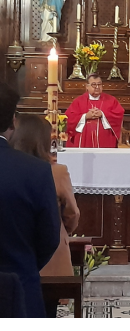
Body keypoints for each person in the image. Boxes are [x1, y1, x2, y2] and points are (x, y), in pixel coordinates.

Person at [9, 114, 80, 318]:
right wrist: (61, 229)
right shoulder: (56, 171)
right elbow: (72, 213)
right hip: (50, 258)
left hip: (14, 257)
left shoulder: (10, 168)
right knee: (47, 311)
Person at [0, 82, 60, 318]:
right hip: (20, 289)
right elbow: (49, 237)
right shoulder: (35, 171)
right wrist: (24, 263)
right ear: (13, 121)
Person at [65, 73, 125, 148]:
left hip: (105, 139)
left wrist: (103, 114)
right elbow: (69, 117)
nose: (97, 87)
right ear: (87, 86)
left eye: (99, 84)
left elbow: (119, 114)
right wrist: (85, 116)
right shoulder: (78, 101)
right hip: (84, 139)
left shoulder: (111, 100)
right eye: (94, 84)